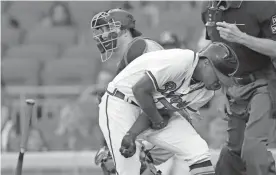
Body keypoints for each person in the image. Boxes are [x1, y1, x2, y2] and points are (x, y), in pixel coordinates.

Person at [98, 41, 241, 175]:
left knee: (196, 147)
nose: (220, 83)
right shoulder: (182, 60)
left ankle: (143, 157)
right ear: (206, 63)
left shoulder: (206, 93)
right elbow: (140, 90)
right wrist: (152, 123)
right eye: (218, 76)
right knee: (129, 169)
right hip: (121, 101)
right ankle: (128, 157)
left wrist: (133, 133)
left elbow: (163, 110)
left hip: (150, 109)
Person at [91, 8, 175, 174]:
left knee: (115, 159)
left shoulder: (139, 47)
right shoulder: (129, 57)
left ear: (122, 29)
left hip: (167, 119)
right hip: (158, 119)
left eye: (107, 29)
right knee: (113, 158)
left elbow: (155, 96)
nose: (103, 36)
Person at [201, 1, 276, 175]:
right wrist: (221, 94)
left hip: (264, 82)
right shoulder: (207, 7)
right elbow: (216, 52)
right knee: (233, 151)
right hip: (233, 86)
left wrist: (241, 37)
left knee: (252, 149)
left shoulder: (264, 5)